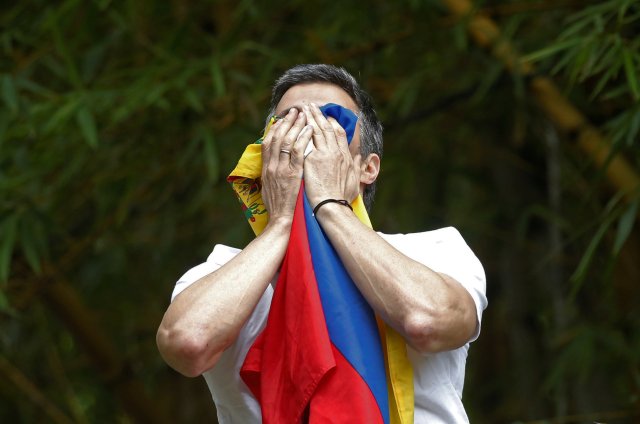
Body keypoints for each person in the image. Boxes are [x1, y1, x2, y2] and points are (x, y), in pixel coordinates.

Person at [157, 64, 487, 423]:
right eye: (289, 126)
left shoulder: (434, 250)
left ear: (367, 168)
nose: (307, 140)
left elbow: (429, 320)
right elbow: (188, 343)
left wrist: (330, 206)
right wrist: (281, 224)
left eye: (331, 126)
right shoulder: (221, 269)